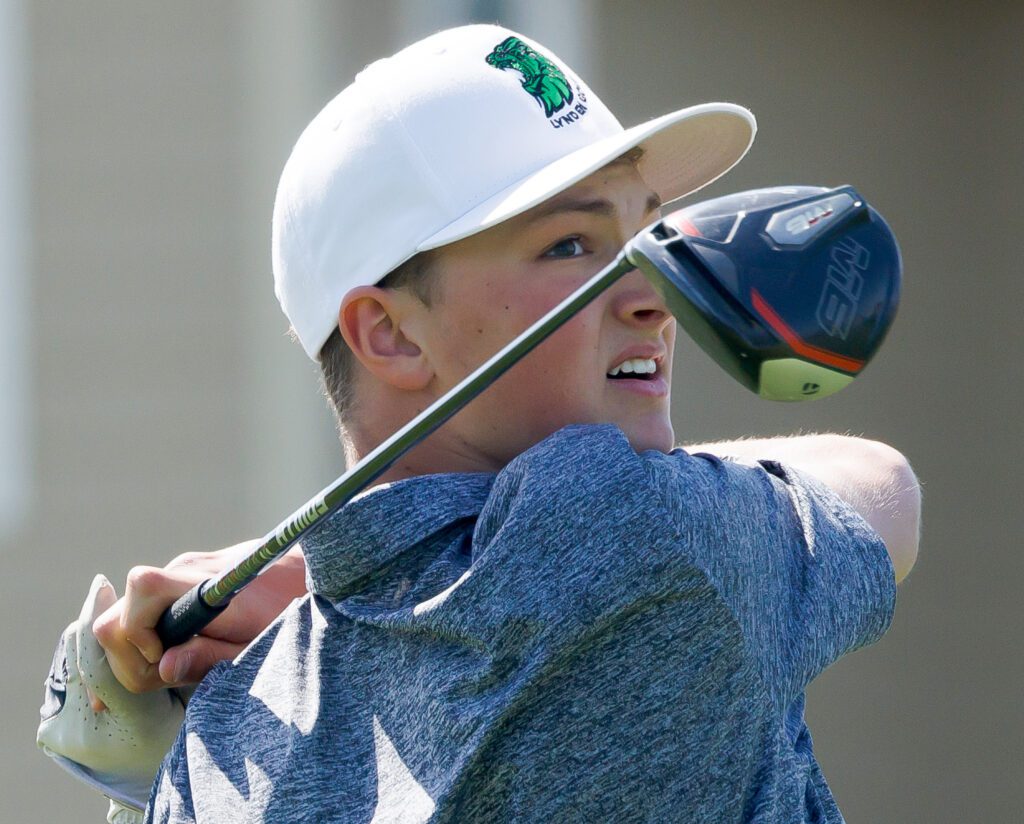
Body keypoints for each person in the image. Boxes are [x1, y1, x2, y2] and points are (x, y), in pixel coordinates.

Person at [40, 23, 920, 823]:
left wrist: (330, 588)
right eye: (571, 246)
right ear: (388, 333)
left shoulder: (229, 743)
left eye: (647, 236)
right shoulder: (641, 533)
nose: (654, 297)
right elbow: (883, 486)